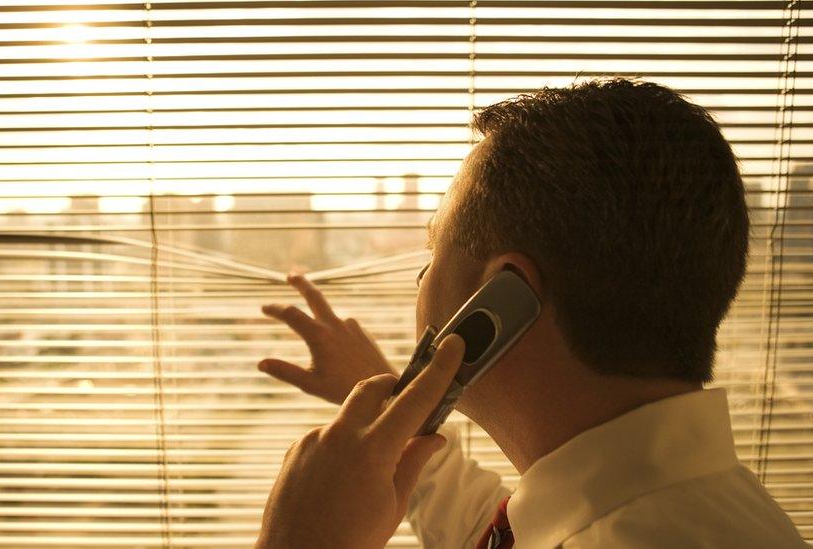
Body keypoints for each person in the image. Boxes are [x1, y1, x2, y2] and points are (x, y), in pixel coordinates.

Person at [252, 79, 808, 548]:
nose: (421, 282)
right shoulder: (665, 504)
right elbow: (494, 525)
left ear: (501, 299)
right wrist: (396, 412)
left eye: (432, 253)